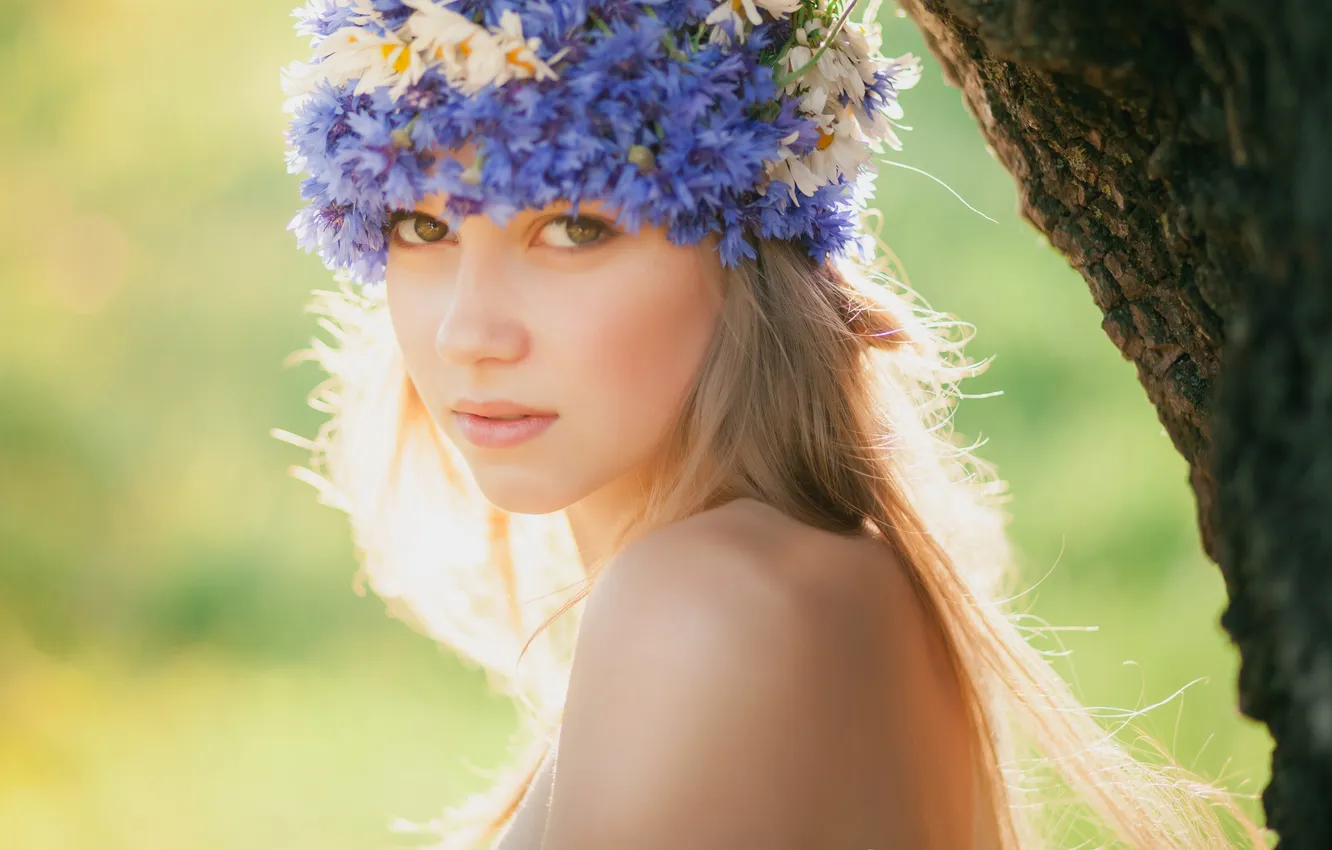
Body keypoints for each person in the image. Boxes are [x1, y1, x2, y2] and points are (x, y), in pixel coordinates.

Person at [277, 0, 1266, 847]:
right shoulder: (825, 571)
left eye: (576, 226)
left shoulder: (702, 604)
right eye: (423, 226)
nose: (467, 331)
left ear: (747, 242)